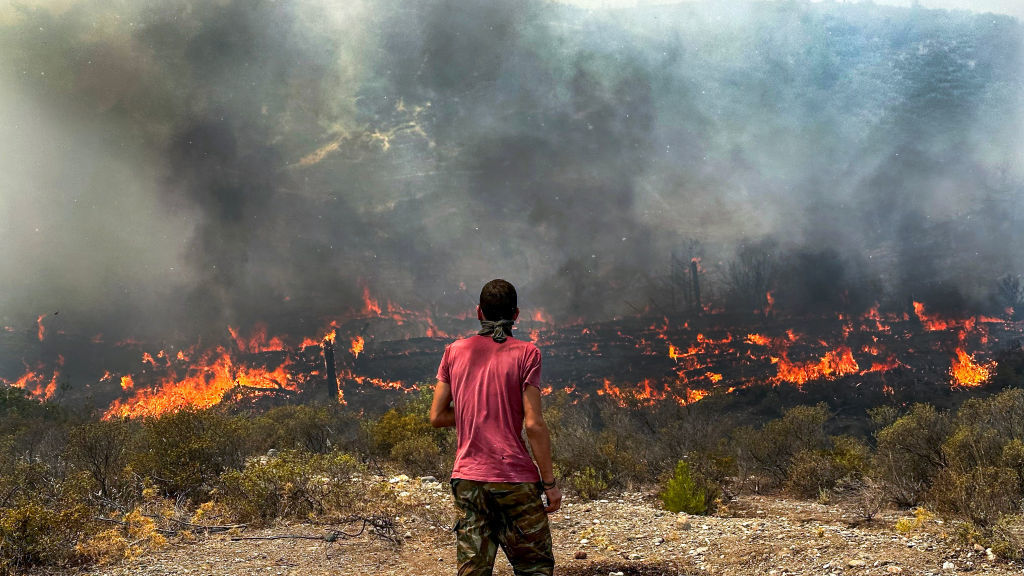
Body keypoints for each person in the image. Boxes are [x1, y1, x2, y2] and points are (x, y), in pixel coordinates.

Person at [430, 279, 561, 576]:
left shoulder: (454, 351)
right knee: (535, 567)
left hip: (469, 480)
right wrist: (550, 484)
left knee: (473, 570)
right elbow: (534, 424)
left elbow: (437, 415)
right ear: (516, 314)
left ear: (479, 312)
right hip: (514, 478)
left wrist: (473, 411)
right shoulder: (528, 353)